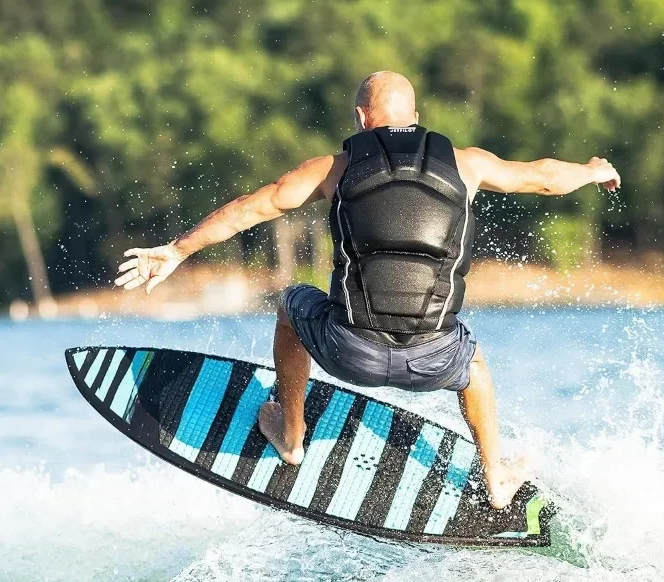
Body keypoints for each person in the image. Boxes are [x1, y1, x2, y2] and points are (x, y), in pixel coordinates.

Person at [116, 72, 620, 508]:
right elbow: (544, 178)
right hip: (435, 359)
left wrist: (178, 250)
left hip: (348, 351)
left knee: (293, 305)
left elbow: (254, 206)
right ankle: (496, 478)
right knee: (476, 367)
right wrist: (594, 171)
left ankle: (291, 435)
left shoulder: (334, 169)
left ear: (361, 118)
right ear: (416, 116)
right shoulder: (469, 164)